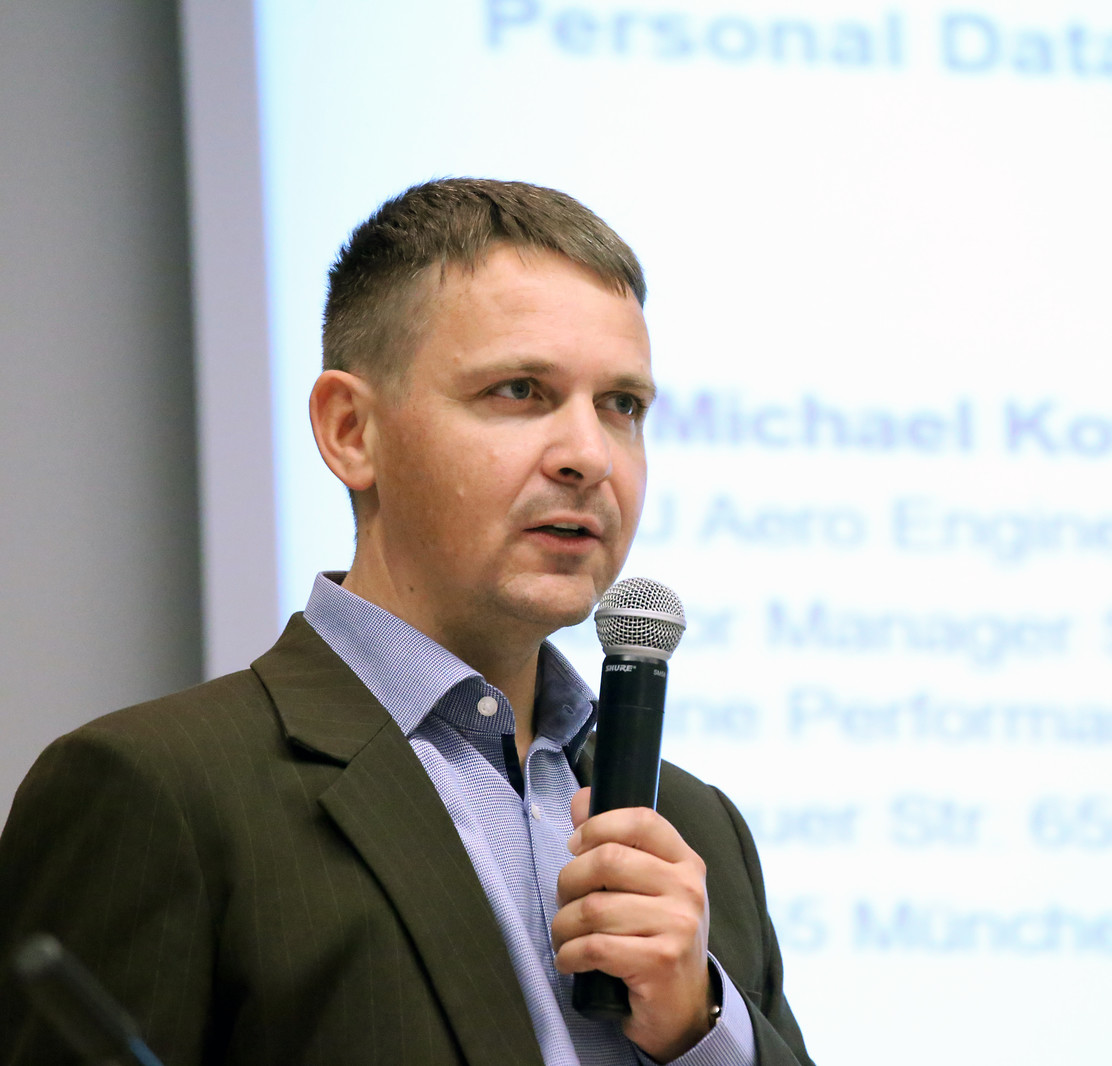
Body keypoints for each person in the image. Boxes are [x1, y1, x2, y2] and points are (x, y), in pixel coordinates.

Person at [0, 178, 812, 1066]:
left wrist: (702, 1029)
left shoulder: (698, 828)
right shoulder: (161, 793)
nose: (591, 456)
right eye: (520, 390)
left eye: (622, 406)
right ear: (352, 430)